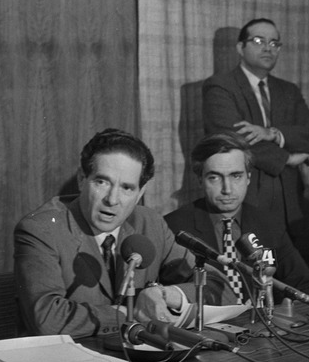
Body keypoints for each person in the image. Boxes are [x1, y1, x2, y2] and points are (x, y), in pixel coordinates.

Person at [14, 128, 227, 338]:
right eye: (102, 182)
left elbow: (220, 288)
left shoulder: (150, 223)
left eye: (127, 188)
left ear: (140, 193)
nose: (112, 199)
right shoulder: (42, 229)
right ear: (82, 179)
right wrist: (133, 313)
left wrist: (166, 294)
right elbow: (47, 320)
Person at [202, 17, 309, 263]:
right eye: (259, 41)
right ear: (241, 48)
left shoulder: (288, 90)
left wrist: (272, 133)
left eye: (275, 43)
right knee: (255, 272)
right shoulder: (220, 86)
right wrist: (288, 158)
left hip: (291, 201)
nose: (268, 48)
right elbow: (232, 140)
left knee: (304, 265)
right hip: (249, 200)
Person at [164, 133, 309, 304]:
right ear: (200, 180)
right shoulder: (174, 227)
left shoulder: (268, 223)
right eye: (215, 177)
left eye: (236, 176)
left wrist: (291, 310)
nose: (227, 189)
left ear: (248, 178)